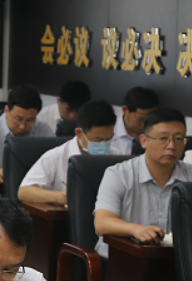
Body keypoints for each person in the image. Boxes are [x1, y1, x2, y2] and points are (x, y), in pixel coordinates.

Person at [94, 107, 191, 256]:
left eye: (178, 139)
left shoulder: (189, 175)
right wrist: (136, 229)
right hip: (121, 260)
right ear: (144, 141)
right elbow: (102, 223)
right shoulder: (118, 174)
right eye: (163, 138)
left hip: (174, 262)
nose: (171, 146)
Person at [17, 99, 116, 206]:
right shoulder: (56, 156)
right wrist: (58, 197)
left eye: (108, 139)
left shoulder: (117, 156)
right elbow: (24, 192)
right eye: (98, 140)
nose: (104, 145)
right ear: (79, 133)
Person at [112, 86, 159, 156]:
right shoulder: (107, 131)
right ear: (125, 110)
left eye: (149, 120)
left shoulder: (158, 134)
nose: (144, 125)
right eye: (140, 119)